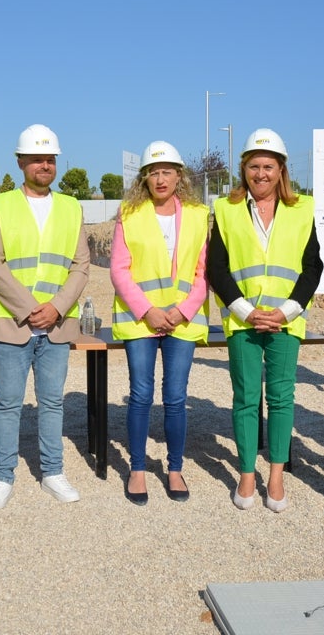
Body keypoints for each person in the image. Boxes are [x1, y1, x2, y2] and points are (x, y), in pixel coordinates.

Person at [206, 128, 321, 513]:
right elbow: (216, 267)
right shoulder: (226, 209)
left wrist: (285, 311)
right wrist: (245, 310)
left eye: (268, 166)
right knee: (245, 398)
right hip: (243, 321)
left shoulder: (302, 209)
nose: (261, 174)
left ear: (281, 169)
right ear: (244, 169)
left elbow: (311, 267)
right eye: (253, 166)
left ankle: (275, 474)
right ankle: (245, 474)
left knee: (281, 398)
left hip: (286, 321)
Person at [0, 124, 90, 510]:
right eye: (38, 158)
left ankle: (52, 472)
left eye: (51, 159)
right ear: (21, 161)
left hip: (56, 325)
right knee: (8, 403)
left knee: (52, 402)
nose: (45, 165)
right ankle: (3, 476)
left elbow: (81, 265)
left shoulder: (71, 207)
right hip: (14, 323)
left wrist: (57, 307)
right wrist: (32, 309)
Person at [111, 141, 209, 505]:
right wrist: (148, 311)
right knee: (140, 394)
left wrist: (183, 311)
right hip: (142, 319)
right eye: (154, 171)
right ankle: (138, 469)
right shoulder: (129, 213)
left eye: (167, 170)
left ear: (179, 175)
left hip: (182, 319)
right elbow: (119, 270)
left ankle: (174, 468)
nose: (161, 177)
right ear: (145, 177)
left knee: (175, 396)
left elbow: (203, 271)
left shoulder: (199, 214)